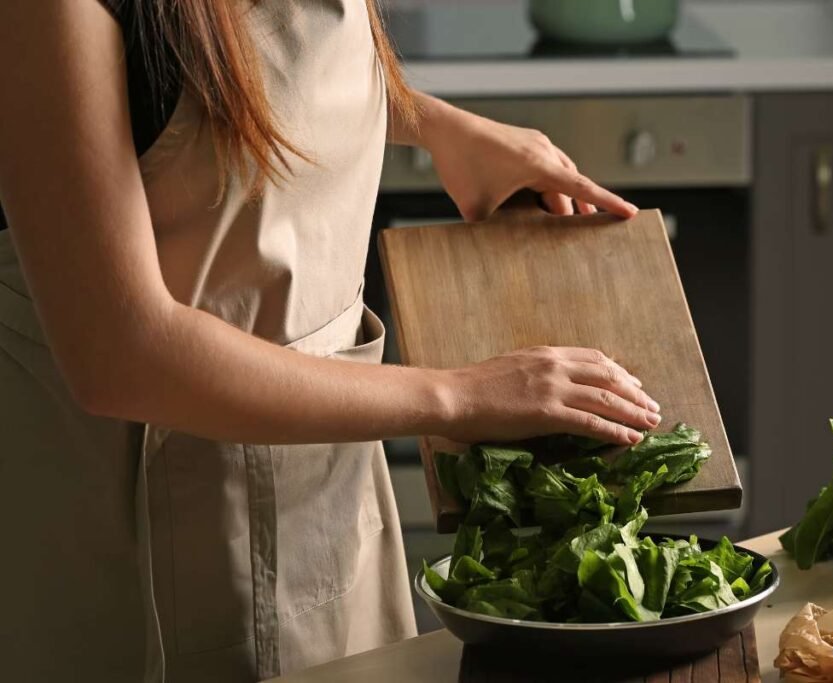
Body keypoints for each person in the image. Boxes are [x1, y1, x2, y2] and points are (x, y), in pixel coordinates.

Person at [0, 1, 663, 681]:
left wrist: (434, 124)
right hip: (143, 544)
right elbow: (120, 355)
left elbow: (233, 76)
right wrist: (459, 394)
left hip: (327, 492)